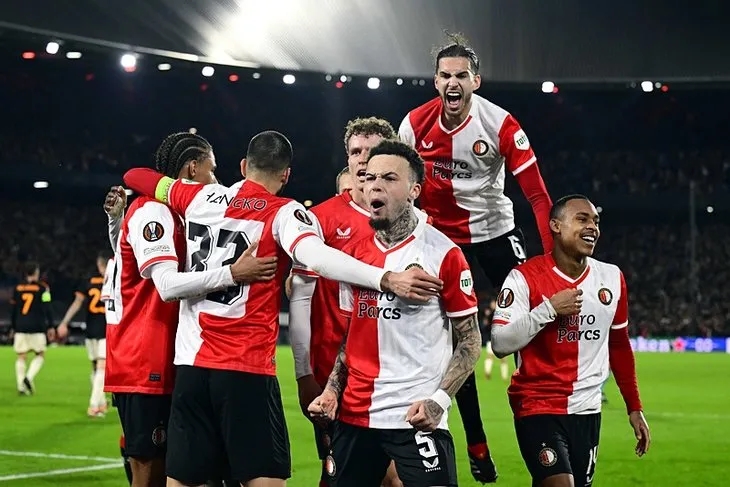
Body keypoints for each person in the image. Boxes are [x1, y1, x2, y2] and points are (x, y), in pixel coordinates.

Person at [122, 130, 444, 487]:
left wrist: (166, 186)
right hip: (245, 368)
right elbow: (317, 258)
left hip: (191, 369)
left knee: (185, 481)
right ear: (286, 174)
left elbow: (135, 175)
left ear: (243, 166)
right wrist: (385, 278)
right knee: (266, 480)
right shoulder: (284, 212)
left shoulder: (196, 196)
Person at [398, 32, 554, 482]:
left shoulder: (501, 124)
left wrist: (551, 261)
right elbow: (398, 184)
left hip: (495, 234)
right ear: (435, 81)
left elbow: (537, 196)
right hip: (441, 242)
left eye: (461, 76)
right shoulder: (413, 125)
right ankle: (476, 444)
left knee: (538, 321)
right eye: (445, 76)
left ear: (476, 81)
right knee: (452, 343)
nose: (453, 83)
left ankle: (546, 423)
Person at [104, 131, 277, 487]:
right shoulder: (153, 211)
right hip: (146, 362)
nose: (216, 178)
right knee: (150, 474)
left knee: (194, 471)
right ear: (193, 168)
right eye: (212, 169)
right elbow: (165, 285)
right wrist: (234, 273)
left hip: (176, 358)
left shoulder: (181, 214)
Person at [307, 139, 482, 486]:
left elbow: (470, 340)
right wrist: (332, 390)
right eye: (370, 178)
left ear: (414, 190)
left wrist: (439, 401)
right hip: (356, 415)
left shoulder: (443, 254)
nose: (374, 185)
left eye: (389, 178)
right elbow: (351, 338)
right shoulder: (353, 256)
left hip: (414, 416)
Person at [490, 194, 651, 487]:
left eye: (596, 222)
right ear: (555, 226)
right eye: (582, 219)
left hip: (587, 409)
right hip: (537, 405)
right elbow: (500, 343)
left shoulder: (611, 278)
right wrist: (549, 309)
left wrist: (634, 407)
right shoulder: (524, 277)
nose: (592, 227)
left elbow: (619, 345)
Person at [289, 117, 406, 487]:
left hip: (392, 372)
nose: (362, 159)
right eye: (356, 151)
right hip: (333, 373)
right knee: (344, 472)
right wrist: (303, 374)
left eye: (372, 151)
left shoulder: (411, 221)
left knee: (390, 477)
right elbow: (300, 298)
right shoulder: (320, 219)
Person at [57, 250, 115, 417]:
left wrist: (64, 322)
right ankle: (94, 405)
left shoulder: (88, 281)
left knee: (97, 367)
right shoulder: (114, 279)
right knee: (101, 368)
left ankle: (101, 403)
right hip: (106, 328)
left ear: (99, 264)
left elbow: (77, 303)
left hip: (91, 329)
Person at [10, 262, 56, 395]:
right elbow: (47, 307)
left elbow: (13, 310)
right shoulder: (43, 288)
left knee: (21, 356)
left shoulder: (17, 288)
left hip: (20, 326)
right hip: (37, 326)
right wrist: (51, 325)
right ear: (36, 272)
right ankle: (28, 378)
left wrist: (13, 327)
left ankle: (21, 386)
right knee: (40, 354)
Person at [481, 298, 509, 381]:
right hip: (493, 339)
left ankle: (504, 376)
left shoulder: (493, 314)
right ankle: (489, 373)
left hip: (498, 339)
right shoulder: (493, 314)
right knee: (492, 357)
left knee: (500, 358)